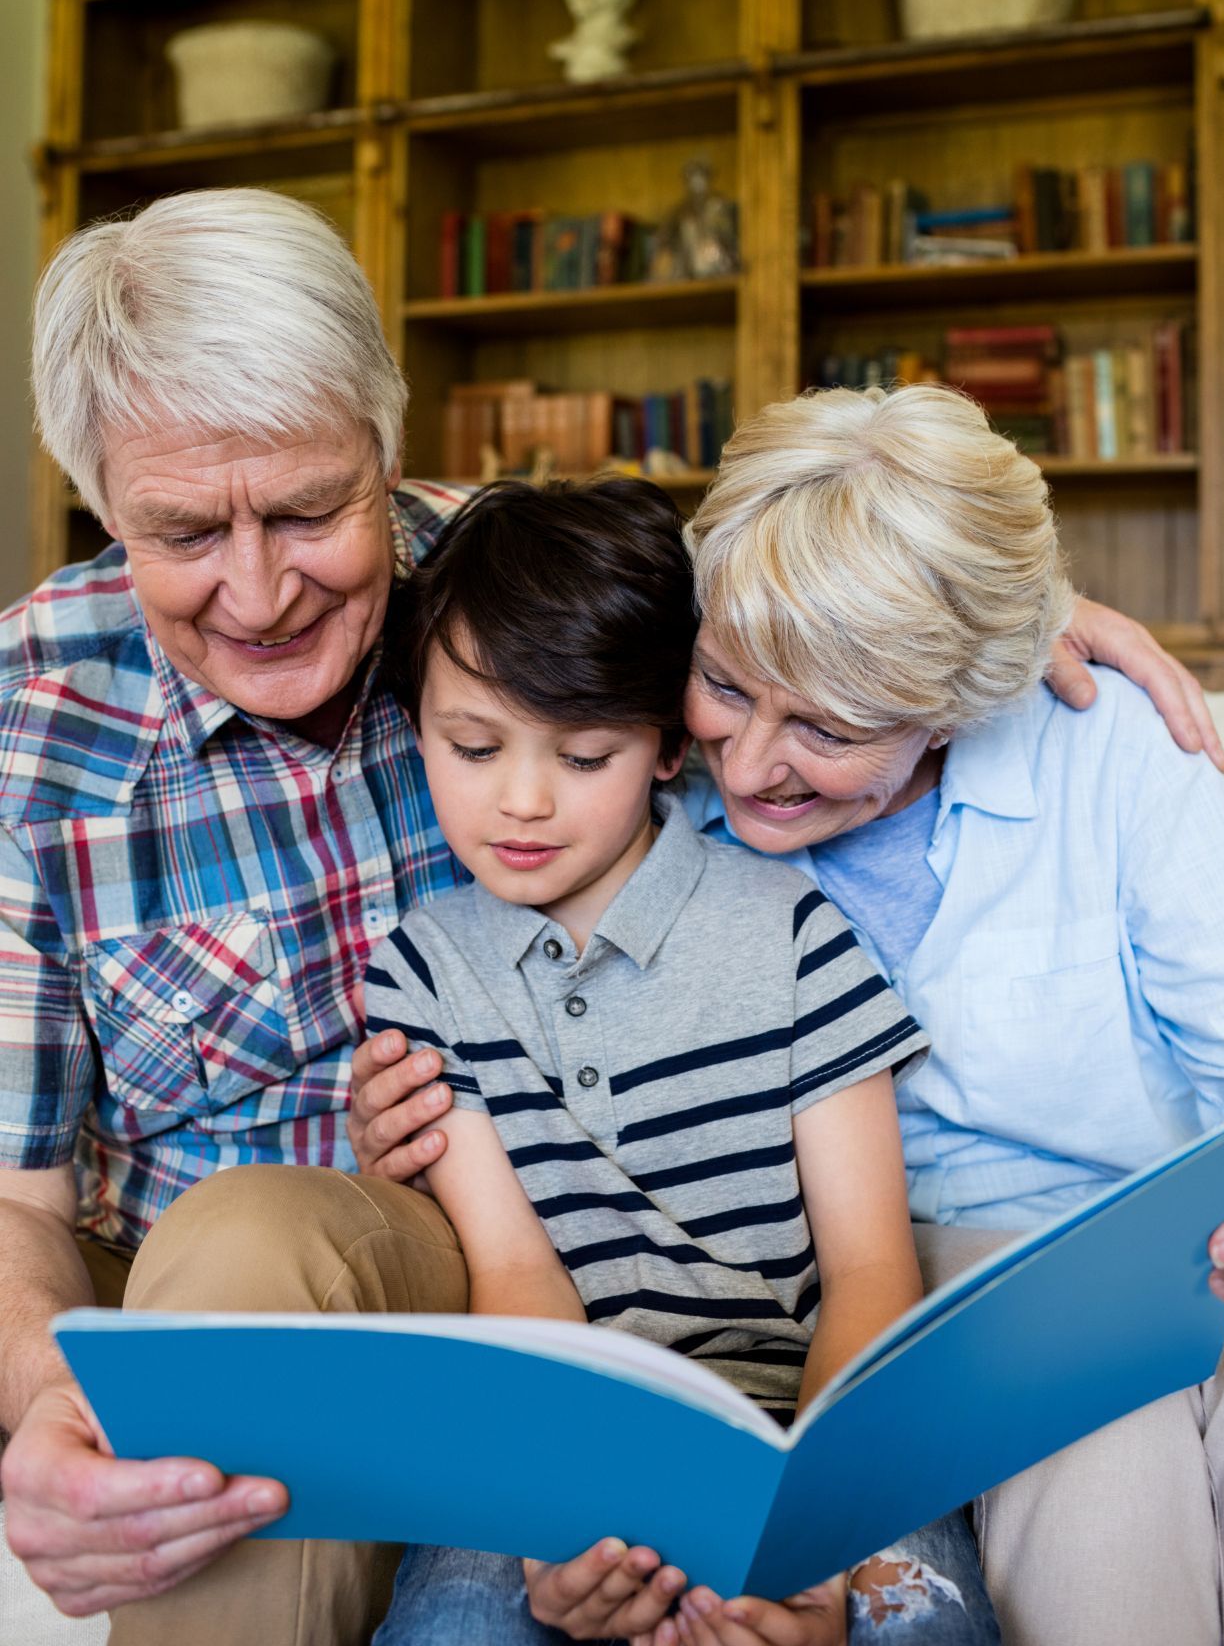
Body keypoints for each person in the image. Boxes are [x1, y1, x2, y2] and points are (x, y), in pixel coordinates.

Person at [0, 187, 1223, 1646]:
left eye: (313, 512)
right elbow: (13, 1208)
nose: (258, 589)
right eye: (184, 531)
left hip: (522, 1261)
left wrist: (1013, 629)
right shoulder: (29, 721)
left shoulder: (507, 584)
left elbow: (829, 596)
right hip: (233, 1280)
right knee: (245, 1248)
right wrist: (46, 1408)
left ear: (387, 454)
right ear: (96, 500)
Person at [359, 383, 1224, 1646]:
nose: (754, 762)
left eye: (828, 723)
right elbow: (507, 616)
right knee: (1108, 1462)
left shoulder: (1103, 750)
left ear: (958, 700)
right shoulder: (640, 789)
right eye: (725, 686)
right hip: (942, 1290)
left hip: (1163, 1235)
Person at [361, 474, 995, 1646]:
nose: (522, 799)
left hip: (815, 1425)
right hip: (563, 1433)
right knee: (459, 1625)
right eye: (472, 744)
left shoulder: (794, 934)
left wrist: (800, 1538)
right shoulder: (423, 969)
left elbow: (868, 1272)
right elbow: (515, 1273)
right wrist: (576, 1522)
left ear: (664, 743)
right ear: (418, 728)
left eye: (584, 754)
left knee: (916, 1625)